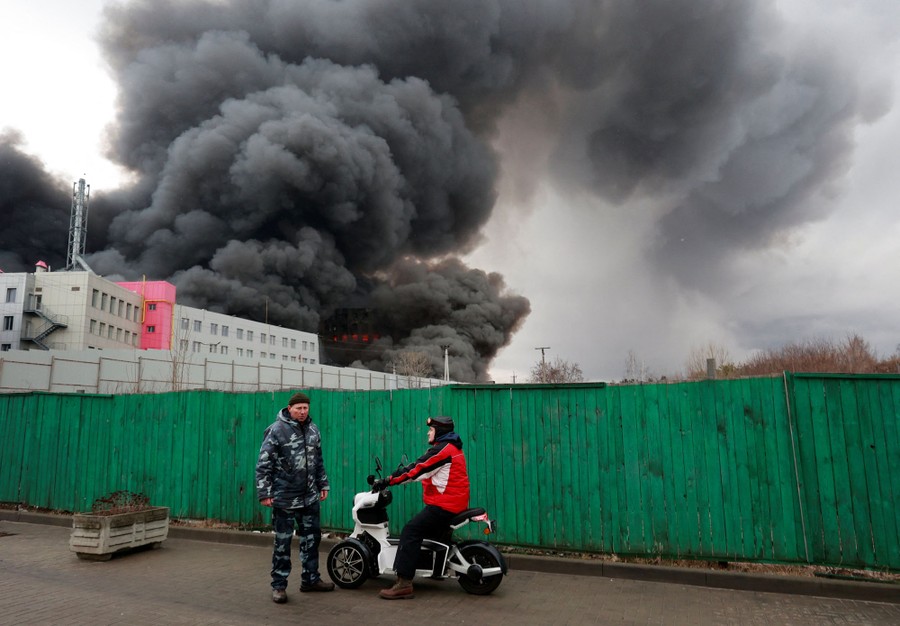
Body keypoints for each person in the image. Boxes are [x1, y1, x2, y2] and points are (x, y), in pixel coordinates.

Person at [377, 415, 470, 600]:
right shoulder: (452, 448)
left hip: (445, 504)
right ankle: (436, 569)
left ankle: (404, 583)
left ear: (440, 431)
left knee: (411, 531)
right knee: (430, 532)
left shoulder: (442, 450)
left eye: (431, 429)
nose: (428, 433)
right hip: (454, 502)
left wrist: (389, 480)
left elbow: (417, 469)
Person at [256, 391, 335, 603]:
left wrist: (323, 484)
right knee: (283, 543)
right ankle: (279, 586)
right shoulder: (276, 430)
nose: (302, 412)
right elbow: (264, 463)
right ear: (289, 408)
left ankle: (310, 579)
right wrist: (265, 492)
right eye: (298, 408)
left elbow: (318, 461)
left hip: (309, 496)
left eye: (305, 408)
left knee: (312, 540)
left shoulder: (313, 430)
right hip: (285, 497)